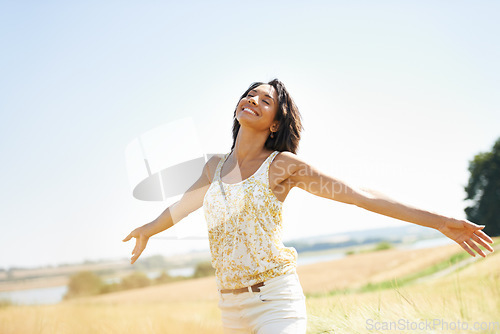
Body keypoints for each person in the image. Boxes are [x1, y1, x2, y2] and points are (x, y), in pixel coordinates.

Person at [123, 78, 495, 334]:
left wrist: (439, 222)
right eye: (250, 94)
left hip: (274, 300)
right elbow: (181, 207)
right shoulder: (214, 167)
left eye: (264, 100)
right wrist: (147, 230)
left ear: (274, 123)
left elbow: (359, 194)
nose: (252, 100)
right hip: (230, 307)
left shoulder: (282, 165)